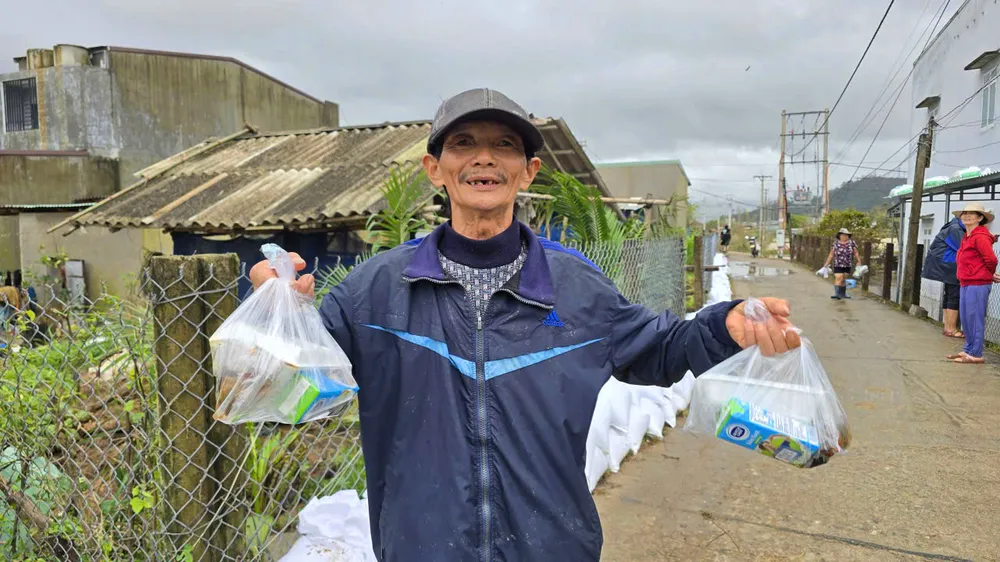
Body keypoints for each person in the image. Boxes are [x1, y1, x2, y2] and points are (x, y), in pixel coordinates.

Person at [249, 88, 801, 562]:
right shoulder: (373, 292)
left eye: (504, 146)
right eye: (463, 144)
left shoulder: (578, 288)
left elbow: (658, 349)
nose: (483, 159)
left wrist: (725, 324)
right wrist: (281, 318)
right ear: (433, 168)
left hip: (552, 546)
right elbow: (289, 390)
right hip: (420, 546)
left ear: (529, 170)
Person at [950, 203, 999, 364]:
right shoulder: (967, 236)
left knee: (975, 318)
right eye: (965, 213)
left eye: (972, 213)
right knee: (966, 318)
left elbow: (991, 259)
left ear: (980, 218)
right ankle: (968, 349)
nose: (966, 216)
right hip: (967, 282)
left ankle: (976, 354)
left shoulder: (980, 236)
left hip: (977, 283)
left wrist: (988, 274)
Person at [922, 215, 966, 338]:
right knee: (954, 295)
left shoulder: (953, 226)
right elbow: (964, 247)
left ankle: (948, 327)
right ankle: (951, 329)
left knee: (949, 294)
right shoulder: (956, 229)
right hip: (950, 265)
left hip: (945, 265)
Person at [822, 228, 862, 300]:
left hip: (847, 264)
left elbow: (856, 253)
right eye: (843, 235)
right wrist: (826, 263)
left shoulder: (852, 243)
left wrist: (859, 261)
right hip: (838, 264)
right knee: (838, 277)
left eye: (846, 235)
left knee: (843, 279)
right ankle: (837, 294)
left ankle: (843, 294)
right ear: (839, 236)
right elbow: (831, 254)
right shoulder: (835, 244)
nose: (844, 236)